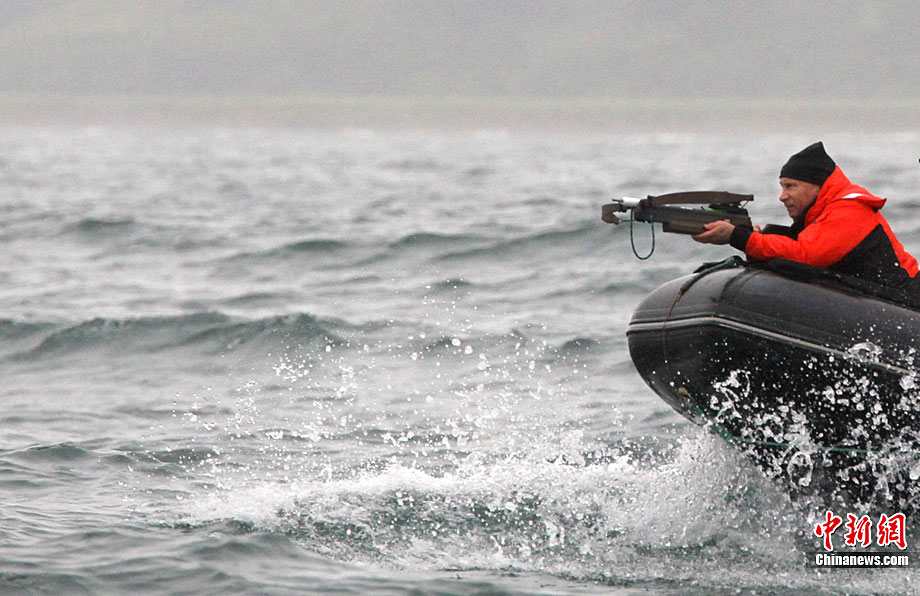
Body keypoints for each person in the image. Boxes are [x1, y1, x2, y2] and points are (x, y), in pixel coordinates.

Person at [693, 142, 919, 288]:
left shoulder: (850, 210)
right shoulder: (822, 216)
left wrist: (738, 237)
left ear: (817, 186)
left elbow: (804, 256)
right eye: (782, 186)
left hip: (904, 300)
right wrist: (753, 238)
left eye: (790, 186)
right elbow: (798, 249)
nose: (782, 196)